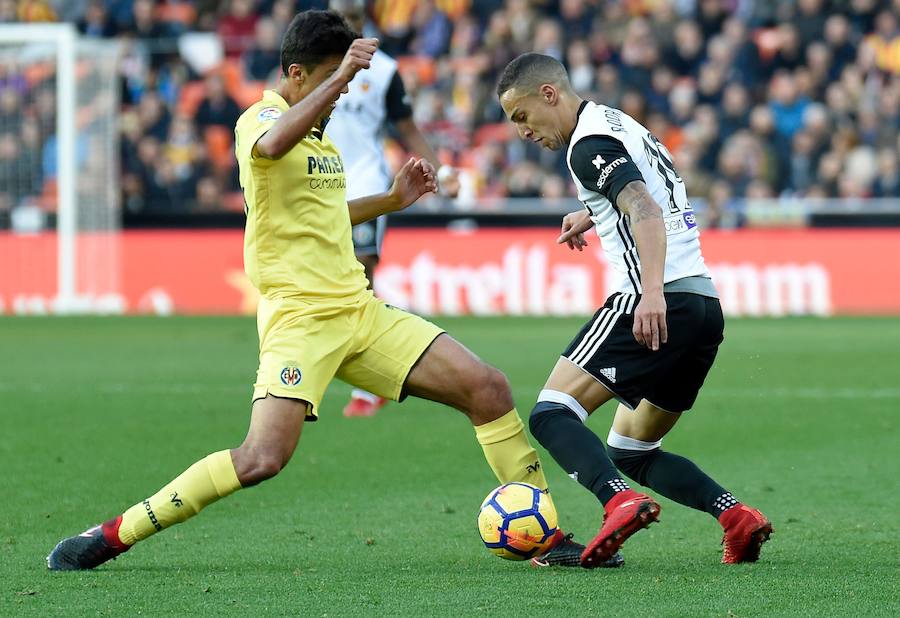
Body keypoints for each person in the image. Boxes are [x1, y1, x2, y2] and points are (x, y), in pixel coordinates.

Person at [47, 13, 613, 571]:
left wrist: (391, 202)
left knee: (487, 388)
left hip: (359, 311)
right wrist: (342, 76)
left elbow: (327, 216)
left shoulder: (321, 143)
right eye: (328, 81)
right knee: (262, 458)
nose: (340, 96)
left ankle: (546, 535)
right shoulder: (259, 119)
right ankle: (113, 534)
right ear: (296, 74)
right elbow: (269, 146)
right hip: (302, 319)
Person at [496, 53, 772, 568]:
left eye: (521, 116)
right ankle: (736, 517)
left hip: (654, 299)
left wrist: (648, 294)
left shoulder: (588, 144)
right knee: (632, 450)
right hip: (703, 307)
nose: (521, 132)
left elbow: (644, 207)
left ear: (549, 94)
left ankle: (617, 501)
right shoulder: (619, 123)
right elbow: (656, 192)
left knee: (552, 413)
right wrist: (595, 212)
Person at [327, 0, 458, 418]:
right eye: (338, 18)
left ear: (364, 20)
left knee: (361, 276)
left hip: (365, 182)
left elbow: (406, 128)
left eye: (350, 19)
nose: (345, 24)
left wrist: (440, 170)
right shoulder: (316, 63)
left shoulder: (382, 70)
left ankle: (373, 381)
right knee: (331, 279)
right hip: (320, 183)